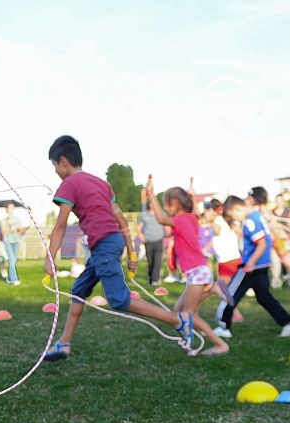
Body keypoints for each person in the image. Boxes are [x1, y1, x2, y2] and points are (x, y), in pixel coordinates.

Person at [42, 136, 213, 360]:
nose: (55, 171)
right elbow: (121, 219)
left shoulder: (68, 184)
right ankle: (64, 343)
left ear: (63, 161)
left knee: (119, 299)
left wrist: (50, 258)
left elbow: (61, 225)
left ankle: (176, 320)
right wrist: (131, 252)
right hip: (112, 241)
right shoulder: (101, 183)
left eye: (54, 165)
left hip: (104, 243)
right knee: (78, 291)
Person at [145, 183, 230, 355]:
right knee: (178, 310)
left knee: (188, 314)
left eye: (166, 204)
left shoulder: (180, 220)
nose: (166, 208)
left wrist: (151, 195)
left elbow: (161, 219)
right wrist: (191, 190)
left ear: (175, 203)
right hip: (198, 271)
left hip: (197, 272)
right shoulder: (191, 218)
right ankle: (190, 337)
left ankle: (220, 344)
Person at [214, 189, 290, 338]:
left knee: (230, 293)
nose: (235, 219)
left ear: (238, 209)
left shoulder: (250, 221)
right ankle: (288, 323)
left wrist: (251, 263)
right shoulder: (257, 217)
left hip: (252, 266)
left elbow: (261, 243)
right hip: (262, 265)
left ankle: (223, 326)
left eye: (233, 215)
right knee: (264, 297)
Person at [137, 187, 166, 286]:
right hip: (148, 240)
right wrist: (141, 236)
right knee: (150, 261)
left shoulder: (161, 214)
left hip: (159, 240)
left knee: (157, 260)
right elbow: (138, 227)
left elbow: (166, 225)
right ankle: (151, 278)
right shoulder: (144, 215)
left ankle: (155, 280)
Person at [0, 202, 27, 285]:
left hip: (16, 241)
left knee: (13, 261)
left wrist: (17, 229)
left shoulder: (17, 219)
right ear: (6, 209)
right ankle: (14, 280)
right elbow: (4, 233)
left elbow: (22, 231)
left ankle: (9, 279)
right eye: (10, 207)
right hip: (8, 241)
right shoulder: (4, 220)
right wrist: (9, 226)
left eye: (13, 207)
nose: (11, 209)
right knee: (11, 260)